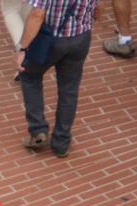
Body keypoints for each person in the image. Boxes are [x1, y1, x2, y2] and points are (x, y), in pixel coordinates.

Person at [15, 0, 100, 158]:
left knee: (29, 75)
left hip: (51, 40)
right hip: (80, 39)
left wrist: (23, 48)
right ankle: (61, 141)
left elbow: (37, 14)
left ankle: (38, 130)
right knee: (69, 90)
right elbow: (99, 9)